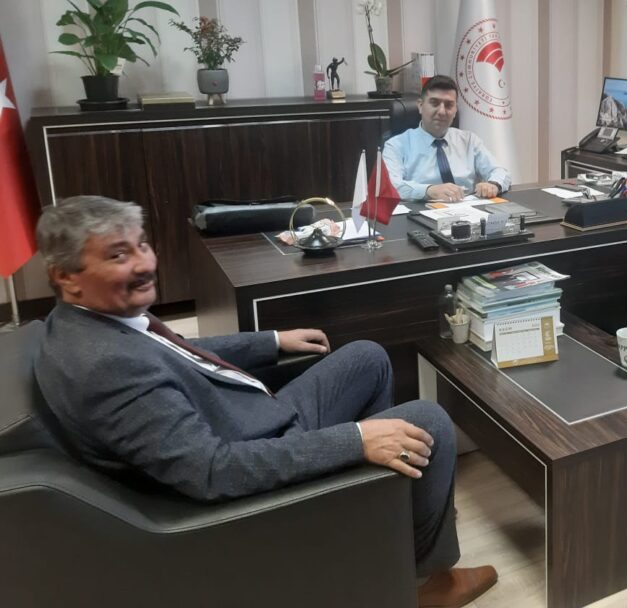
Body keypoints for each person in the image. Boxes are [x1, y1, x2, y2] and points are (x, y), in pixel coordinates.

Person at [33, 195, 497, 607]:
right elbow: (214, 472)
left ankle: (380, 520)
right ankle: (425, 582)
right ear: (66, 276)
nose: (144, 263)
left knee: (367, 358)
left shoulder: (84, 323)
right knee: (427, 421)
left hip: (252, 420)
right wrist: (356, 441)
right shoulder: (106, 367)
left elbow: (176, 351)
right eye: (118, 255)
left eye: (141, 245)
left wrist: (271, 341)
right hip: (255, 459)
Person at [382, 75, 511, 202]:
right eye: (434, 103)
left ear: (455, 110)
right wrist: (428, 190)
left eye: (449, 105)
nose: (442, 111)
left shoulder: (469, 140)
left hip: (468, 208)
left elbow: (500, 172)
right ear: (420, 106)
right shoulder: (396, 145)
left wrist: (493, 184)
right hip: (421, 209)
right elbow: (390, 185)